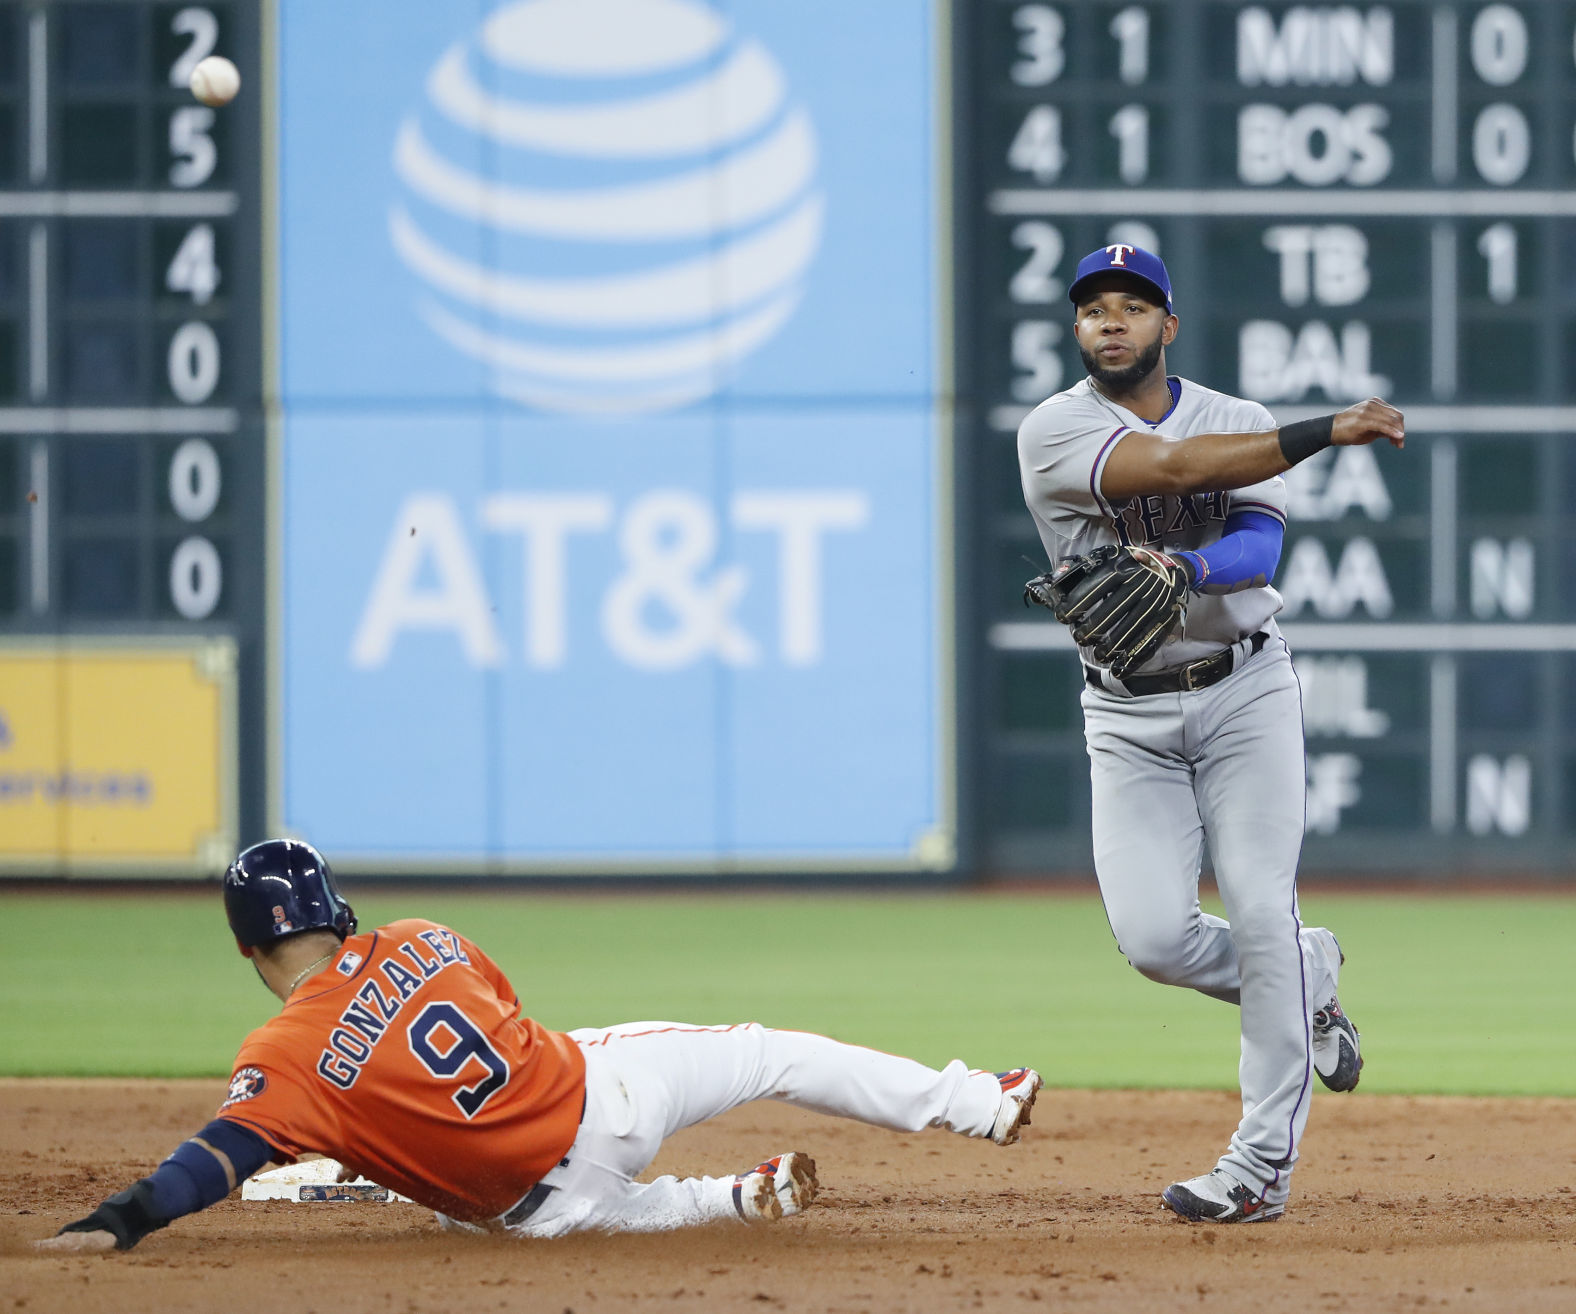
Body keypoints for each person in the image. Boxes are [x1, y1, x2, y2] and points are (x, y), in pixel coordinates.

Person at [34, 839, 1042, 1252]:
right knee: (766, 1051)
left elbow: (211, 1161)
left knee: (391, 1161)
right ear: (338, 910)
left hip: (543, 1210)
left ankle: (725, 1200)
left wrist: (122, 1219)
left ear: (249, 946)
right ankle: (972, 1100)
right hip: (604, 1096)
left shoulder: (282, 1056)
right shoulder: (422, 937)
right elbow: (512, 1019)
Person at [1015, 243, 1403, 1224]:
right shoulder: (1053, 429)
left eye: (1133, 306)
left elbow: (1257, 543)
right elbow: (1178, 467)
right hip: (1125, 706)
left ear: (1166, 326)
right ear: (1076, 329)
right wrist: (1326, 428)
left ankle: (1260, 1164)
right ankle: (1304, 977)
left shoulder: (1238, 418)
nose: (1112, 321)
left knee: (1260, 906)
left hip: (1243, 691)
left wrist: (1187, 572)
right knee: (1152, 938)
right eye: (1095, 307)